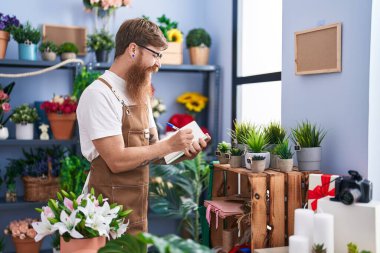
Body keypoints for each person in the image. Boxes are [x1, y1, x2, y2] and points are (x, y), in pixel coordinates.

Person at [76, 18, 211, 235]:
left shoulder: (140, 92)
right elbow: (116, 160)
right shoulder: (98, 94)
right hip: (102, 216)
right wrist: (168, 146)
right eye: (155, 55)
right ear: (132, 50)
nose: (159, 63)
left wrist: (183, 151)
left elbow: (152, 149)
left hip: (136, 213)